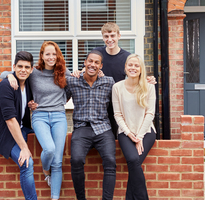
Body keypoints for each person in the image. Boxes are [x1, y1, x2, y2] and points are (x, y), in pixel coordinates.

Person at [0, 41, 70, 200]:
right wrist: (10, 75)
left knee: (58, 162)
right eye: (48, 54)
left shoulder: (64, 72)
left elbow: (74, 86)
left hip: (59, 116)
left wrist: (62, 100)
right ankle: (46, 171)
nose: (51, 57)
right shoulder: (34, 73)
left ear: (58, 55)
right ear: (42, 56)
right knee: (50, 149)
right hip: (40, 116)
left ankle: (55, 197)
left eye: (54, 54)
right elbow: (4, 74)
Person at [76, 22, 156, 137]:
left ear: (119, 36)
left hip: (119, 105)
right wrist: (78, 72)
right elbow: (87, 69)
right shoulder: (97, 53)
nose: (109, 39)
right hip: (100, 105)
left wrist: (147, 79)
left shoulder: (126, 57)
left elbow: (135, 74)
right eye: (106, 36)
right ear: (103, 37)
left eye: (112, 35)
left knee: (118, 138)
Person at [0, 51, 37, 200]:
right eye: (20, 66)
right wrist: (24, 148)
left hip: (22, 128)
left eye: (27, 67)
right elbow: (10, 120)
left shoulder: (28, 83)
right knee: (27, 163)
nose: (23, 70)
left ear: (31, 69)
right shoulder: (6, 86)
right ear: (14, 67)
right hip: (2, 133)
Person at [65, 50, 116, 200]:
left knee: (110, 161)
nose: (92, 65)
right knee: (76, 160)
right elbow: (58, 98)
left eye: (96, 62)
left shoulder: (108, 82)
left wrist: (147, 80)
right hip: (82, 128)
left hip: (103, 128)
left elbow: (125, 94)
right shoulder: (73, 81)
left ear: (101, 66)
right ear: (85, 63)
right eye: (90, 61)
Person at [112, 54, 156, 200]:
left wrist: (140, 137)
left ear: (141, 69)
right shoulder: (117, 87)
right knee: (132, 159)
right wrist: (129, 134)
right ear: (125, 67)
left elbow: (150, 114)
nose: (133, 68)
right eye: (130, 65)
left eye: (137, 65)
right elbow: (117, 114)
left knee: (134, 162)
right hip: (125, 132)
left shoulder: (149, 87)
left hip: (146, 131)